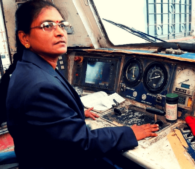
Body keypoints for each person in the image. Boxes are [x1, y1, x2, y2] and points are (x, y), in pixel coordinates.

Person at [1, 1, 159, 168]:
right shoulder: (39, 86)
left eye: (62, 25)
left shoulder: (28, 69)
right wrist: (129, 133)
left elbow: (47, 122)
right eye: (47, 26)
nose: (60, 32)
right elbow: (82, 143)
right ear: (24, 37)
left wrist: (73, 113)